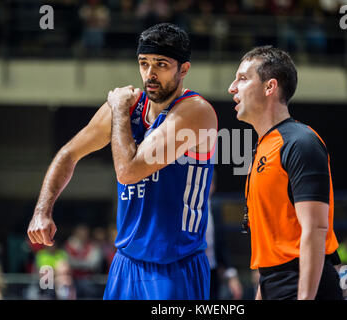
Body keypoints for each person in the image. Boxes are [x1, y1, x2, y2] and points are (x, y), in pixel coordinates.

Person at [27, 23, 218, 300]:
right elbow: (68, 153)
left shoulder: (195, 112)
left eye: (161, 64)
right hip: (125, 262)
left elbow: (128, 171)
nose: (150, 74)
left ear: (183, 69)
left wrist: (118, 109)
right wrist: (42, 210)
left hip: (175, 265)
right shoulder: (131, 107)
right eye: (144, 63)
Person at [228, 45, 341, 300]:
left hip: (304, 283)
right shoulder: (263, 147)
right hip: (273, 282)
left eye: (243, 79)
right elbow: (273, 249)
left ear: (270, 87)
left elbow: (315, 229)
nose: (232, 88)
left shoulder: (301, 142)